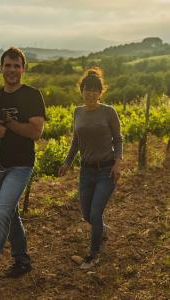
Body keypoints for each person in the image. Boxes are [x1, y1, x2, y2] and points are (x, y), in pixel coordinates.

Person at [0, 47, 46, 292]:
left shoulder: (32, 96)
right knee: (10, 213)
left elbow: (36, 133)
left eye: (17, 65)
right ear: (1, 68)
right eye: (7, 66)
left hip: (21, 166)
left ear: (23, 68)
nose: (12, 70)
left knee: (1, 214)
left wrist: (8, 122)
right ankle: (22, 260)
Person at [59, 68, 123, 270]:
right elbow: (76, 142)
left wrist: (118, 163)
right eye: (87, 89)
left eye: (95, 90)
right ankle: (101, 230)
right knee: (87, 215)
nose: (91, 93)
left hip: (106, 170)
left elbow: (118, 139)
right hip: (85, 171)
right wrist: (67, 162)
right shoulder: (77, 112)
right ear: (82, 90)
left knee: (95, 213)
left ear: (100, 92)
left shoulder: (108, 112)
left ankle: (93, 255)